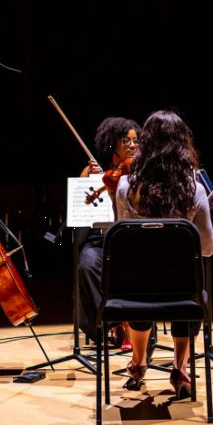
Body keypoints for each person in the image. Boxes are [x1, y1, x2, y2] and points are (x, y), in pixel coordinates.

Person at [114, 110, 213, 399]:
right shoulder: (195, 190)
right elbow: (208, 248)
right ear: (183, 145)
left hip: (135, 291)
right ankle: (180, 366)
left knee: (142, 285)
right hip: (181, 293)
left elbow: (122, 241)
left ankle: (139, 361)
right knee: (190, 289)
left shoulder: (125, 187)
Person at [77, 117, 141, 345]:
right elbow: (80, 202)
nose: (133, 145)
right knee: (86, 263)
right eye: (126, 141)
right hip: (99, 238)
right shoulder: (98, 169)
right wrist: (88, 178)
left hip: (128, 238)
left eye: (136, 141)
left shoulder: (140, 172)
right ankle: (111, 320)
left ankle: (132, 322)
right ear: (113, 143)